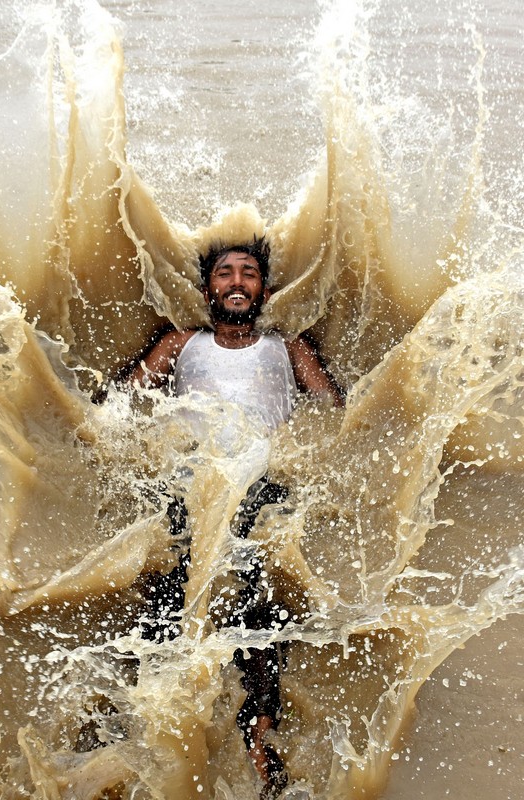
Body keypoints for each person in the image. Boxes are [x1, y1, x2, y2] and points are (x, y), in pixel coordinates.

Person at [126, 236, 343, 796]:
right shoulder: (180, 342)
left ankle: (261, 741)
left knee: (261, 597)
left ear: (264, 290)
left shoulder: (287, 347)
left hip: (259, 486)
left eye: (249, 274)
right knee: (168, 590)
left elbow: (336, 416)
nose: (237, 282)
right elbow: (125, 404)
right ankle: (143, 728)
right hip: (193, 483)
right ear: (208, 290)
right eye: (226, 273)